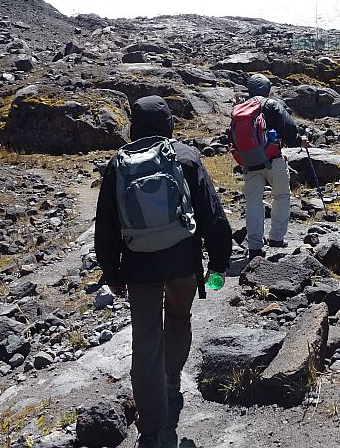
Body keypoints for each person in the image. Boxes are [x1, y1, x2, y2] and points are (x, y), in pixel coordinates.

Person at [95, 95, 232, 448]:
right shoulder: (185, 157)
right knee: (178, 317)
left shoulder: (117, 166)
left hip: (138, 267)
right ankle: (172, 379)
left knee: (144, 343)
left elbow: (106, 228)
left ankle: (153, 429)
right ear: (169, 123)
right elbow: (212, 214)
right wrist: (218, 263)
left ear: (134, 126)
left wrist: (112, 274)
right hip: (183, 262)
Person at [239, 74, 307, 258]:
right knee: (282, 195)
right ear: (267, 88)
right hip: (273, 159)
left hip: (249, 162)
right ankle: (276, 237)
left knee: (253, 202)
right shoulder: (271, 105)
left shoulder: (240, 109)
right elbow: (289, 129)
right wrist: (300, 141)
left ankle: (254, 245)